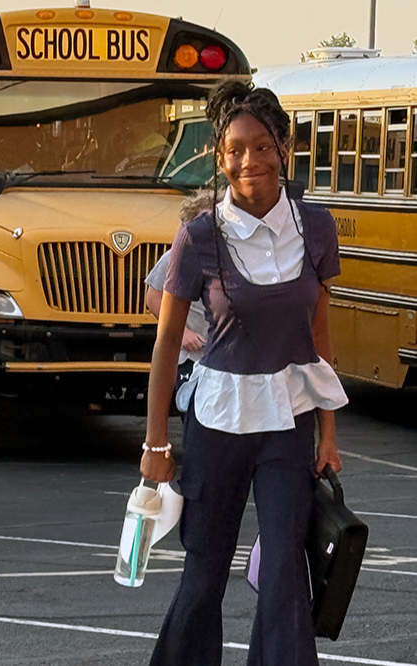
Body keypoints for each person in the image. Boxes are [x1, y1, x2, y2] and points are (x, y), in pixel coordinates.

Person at [141, 80, 348, 666]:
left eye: (260, 146)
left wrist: (329, 433)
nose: (248, 160)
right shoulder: (200, 236)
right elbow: (163, 349)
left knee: (284, 570)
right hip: (216, 422)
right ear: (218, 156)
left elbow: (320, 338)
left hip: (288, 423)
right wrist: (156, 443)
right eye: (234, 149)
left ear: (282, 146)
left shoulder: (316, 227)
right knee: (205, 570)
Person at [145, 190, 217, 399]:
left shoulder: (230, 258)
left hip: (220, 360)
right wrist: (183, 333)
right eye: (201, 222)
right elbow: (153, 296)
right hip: (190, 357)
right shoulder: (175, 257)